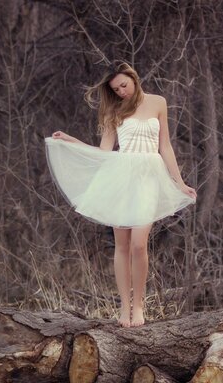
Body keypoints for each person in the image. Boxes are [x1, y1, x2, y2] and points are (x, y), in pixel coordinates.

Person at [45, 62, 197, 327]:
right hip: (121, 177)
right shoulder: (114, 110)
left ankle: (139, 305)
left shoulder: (158, 102)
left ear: (134, 79)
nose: (121, 92)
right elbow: (104, 152)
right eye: (116, 89)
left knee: (140, 244)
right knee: (122, 245)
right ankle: (125, 309)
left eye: (124, 85)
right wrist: (71, 141)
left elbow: (165, 146)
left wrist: (179, 182)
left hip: (149, 176)